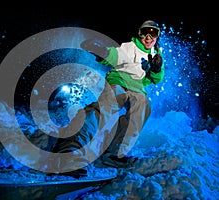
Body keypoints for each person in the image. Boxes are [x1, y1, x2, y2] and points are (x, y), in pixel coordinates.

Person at [51, 20, 165, 176]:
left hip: (138, 89)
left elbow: (157, 79)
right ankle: (70, 150)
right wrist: (101, 51)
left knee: (143, 108)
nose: (148, 36)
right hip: (119, 81)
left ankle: (115, 154)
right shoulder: (130, 48)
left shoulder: (156, 54)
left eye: (154, 33)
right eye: (145, 32)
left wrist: (157, 68)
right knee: (107, 107)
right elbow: (115, 55)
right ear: (139, 33)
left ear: (157, 36)